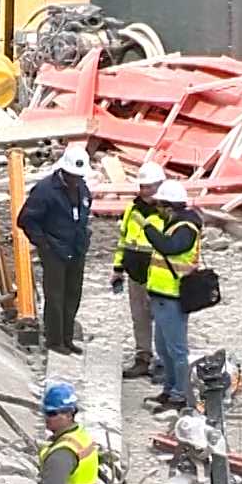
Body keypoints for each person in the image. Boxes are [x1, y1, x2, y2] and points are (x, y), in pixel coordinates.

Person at [17, 144, 94, 355]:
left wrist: (83, 239)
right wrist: (43, 243)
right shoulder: (45, 190)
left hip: (76, 248)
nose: (75, 180)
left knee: (73, 294)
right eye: (72, 176)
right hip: (54, 249)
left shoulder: (82, 189)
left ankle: (67, 338)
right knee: (55, 295)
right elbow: (26, 219)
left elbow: (83, 214)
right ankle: (54, 340)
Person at [143, 179, 204, 410]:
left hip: (173, 296)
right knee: (162, 347)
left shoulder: (186, 229)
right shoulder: (175, 225)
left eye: (160, 206)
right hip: (161, 294)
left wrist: (148, 228)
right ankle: (169, 389)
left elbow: (169, 247)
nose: (158, 211)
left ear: (170, 207)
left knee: (176, 349)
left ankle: (180, 394)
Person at [111, 160, 166, 380]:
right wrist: (118, 268)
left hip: (160, 275)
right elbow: (124, 240)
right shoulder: (132, 210)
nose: (145, 191)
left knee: (162, 319)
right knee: (140, 318)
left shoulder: (166, 213)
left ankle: (163, 362)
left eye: (150, 186)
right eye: (143, 187)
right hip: (135, 273)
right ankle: (143, 358)